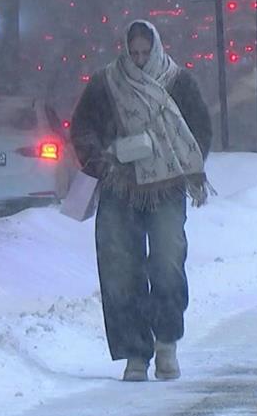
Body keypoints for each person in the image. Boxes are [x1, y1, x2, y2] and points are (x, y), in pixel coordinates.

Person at [70, 19, 213, 382]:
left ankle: (166, 342)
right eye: (133, 53)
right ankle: (136, 351)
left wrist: (178, 164)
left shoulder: (178, 82)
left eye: (145, 53)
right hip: (119, 187)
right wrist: (100, 158)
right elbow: (83, 125)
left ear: (157, 49)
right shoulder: (107, 83)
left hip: (166, 188)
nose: (138, 60)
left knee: (167, 262)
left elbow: (199, 131)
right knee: (121, 269)